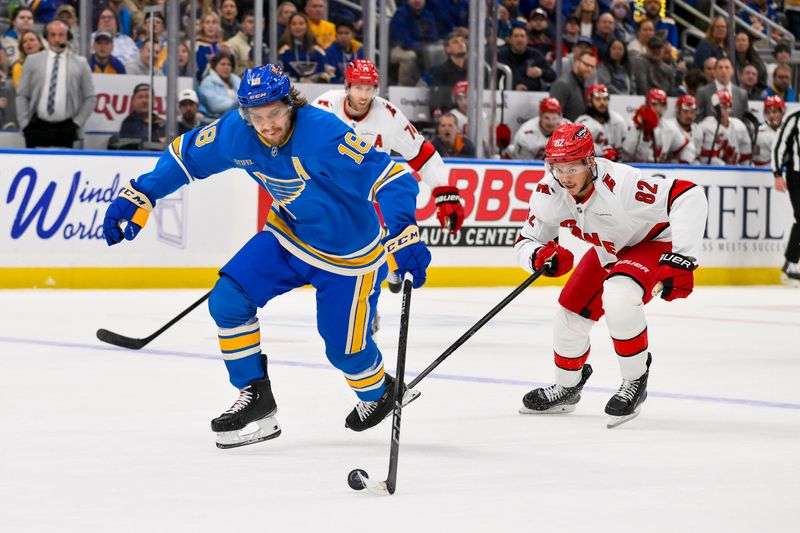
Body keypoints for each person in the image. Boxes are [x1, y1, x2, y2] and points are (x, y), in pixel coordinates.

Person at [102, 64, 431, 448]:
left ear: (290, 104)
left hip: (349, 256)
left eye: (274, 113)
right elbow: (184, 156)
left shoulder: (323, 134)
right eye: (256, 117)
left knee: (346, 353)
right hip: (288, 236)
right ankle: (255, 397)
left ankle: (379, 393)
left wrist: (404, 233)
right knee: (227, 299)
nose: (267, 125)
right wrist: (143, 193)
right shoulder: (237, 133)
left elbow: (393, 178)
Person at [516, 122, 708, 427]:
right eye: (558, 167)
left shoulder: (623, 186)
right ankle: (567, 387)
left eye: (572, 168)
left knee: (619, 295)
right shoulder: (549, 191)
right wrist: (539, 255)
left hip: (652, 242)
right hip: (609, 250)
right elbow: (526, 241)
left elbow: (688, 195)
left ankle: (634, 380)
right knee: (568, 316)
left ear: (590, 162)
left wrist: (683, 257)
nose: (565, 177)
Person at [312, 59, 465, 233]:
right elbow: (302, 144)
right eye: (358, 88)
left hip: (369, 200)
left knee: (374, 254)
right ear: (347, 87)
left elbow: (422, 154)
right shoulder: (325, 106)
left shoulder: (388, 116)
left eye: (369, 88)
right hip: (329, 195)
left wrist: (445, 194)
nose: (363, 96)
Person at [15, 20, 95, 148]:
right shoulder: (32, 60)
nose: (57, 39)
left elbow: (90, 97)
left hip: (66, 128)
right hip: (36, 127)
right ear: (47, 37)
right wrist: (25, 124)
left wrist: (76, 124)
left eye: (61, 34)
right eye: (53, 35)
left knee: (64, 167)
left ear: (68, 36)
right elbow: (22, 94)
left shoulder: (81, 63)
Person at [623, 88, 693, 163]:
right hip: (635, 169)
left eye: (662, 105)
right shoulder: (632, 123)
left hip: (659, 170)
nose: (658, 109)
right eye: (654, 104)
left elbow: (688, 148)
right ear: (647, 104)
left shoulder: (669, 127)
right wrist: (642, 132)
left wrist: (683, 164)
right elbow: (627, 152)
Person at [772, 99, 800, 283]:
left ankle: (790, 263)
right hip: (796, 174)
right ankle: (789, 264)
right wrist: (777, 173)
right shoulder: (795, 116)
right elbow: (779, 145)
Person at [389, 0, 439, 86]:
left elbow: (434, 37)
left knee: (439, 51)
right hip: (399, 48)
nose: (417, 0)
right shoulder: (400, 13)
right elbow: (401, 39)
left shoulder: (428, 15)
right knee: (409, 57)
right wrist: (420, 47)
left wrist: (425, 48)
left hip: (422, 49)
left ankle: (435, 85)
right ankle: (405, 90)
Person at [698, 89, 751, 166]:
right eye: (722, 106)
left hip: (734, 171)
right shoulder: (706, 126)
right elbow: (708, 160)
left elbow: (746, 159)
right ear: (713, 108)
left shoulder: (739, 126)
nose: (725, 110)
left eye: (728, 105)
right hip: (712, 173)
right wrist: (730, 169)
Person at [497, 23, 556, 92]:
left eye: (522, 36)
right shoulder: (502, 55)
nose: (519, 39)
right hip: (508, 96)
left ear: (527, 40)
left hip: (532, 96)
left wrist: (541, 72)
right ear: (510, 40)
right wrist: (513, 88)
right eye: (516, 36)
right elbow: (494, 80)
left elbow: (552, 76)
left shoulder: (535, 54)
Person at [575, 84, 626, 161]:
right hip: (591, 168)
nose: (602, 103)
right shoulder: (582, 124)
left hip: (618, 167)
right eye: (598, 99)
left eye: (605, 99)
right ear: (589, 102)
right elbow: (577, 149)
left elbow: (627, 151)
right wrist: (601, 153)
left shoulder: (618, 121)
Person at [278, 13, 328, 83]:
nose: (297, 27)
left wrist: (314, 81)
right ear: (289, 27)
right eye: (293, 24)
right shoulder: (283, 50)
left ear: (307, 26)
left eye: (301, 24)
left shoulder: (317, 50)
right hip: (291, 89)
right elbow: (279, 74)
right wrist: (299, 81)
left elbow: (325, 73)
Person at [549, 50, 596, 121]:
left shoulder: (583, 86)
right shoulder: (562, 84)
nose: (589, 69)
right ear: (576, 62)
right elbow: (552, 117)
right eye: (586, 65)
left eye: (592, 67)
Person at [198, 51, 241, 119]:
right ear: (215, 66)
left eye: (229, 64)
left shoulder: (237, 81)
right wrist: (237, 104)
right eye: (223, 64)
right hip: (216, 119)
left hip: (237, 117)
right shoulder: (208, 81)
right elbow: (214, 105)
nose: (226, 67)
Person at [324, 20, 363, 84]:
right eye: (340, 33)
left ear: (353, 35)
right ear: (335, 35)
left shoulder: (359, 51)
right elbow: (330, 75)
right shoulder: (330, 51)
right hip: (336, 87)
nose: (343, 36)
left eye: (346, 33)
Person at [665, 95, 701, 164]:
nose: (689, 115)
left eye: (692, 112)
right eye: (685, 111)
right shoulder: (669, 127)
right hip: (669, 168)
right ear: (678, 112)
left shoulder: (698, 131)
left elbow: (697, 156)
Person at [753, 95, 784, 167]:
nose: (771, 116)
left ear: (782, 113)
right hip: (764, 173)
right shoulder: (760, 133)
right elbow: (760, 163)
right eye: (768, 112)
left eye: (775, 112)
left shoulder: (788, 129)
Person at [224, 10, 255, 78]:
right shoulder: (232, 43)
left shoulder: (262, 45)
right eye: (250, 22)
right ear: (242, 24)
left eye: (258, 23)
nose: (254, 26)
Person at [195, 11, 222, 82]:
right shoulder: (197, 46)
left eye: (214, 22)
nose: (211, 26)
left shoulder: (222, 47)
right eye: (207, 22)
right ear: (202, 25)